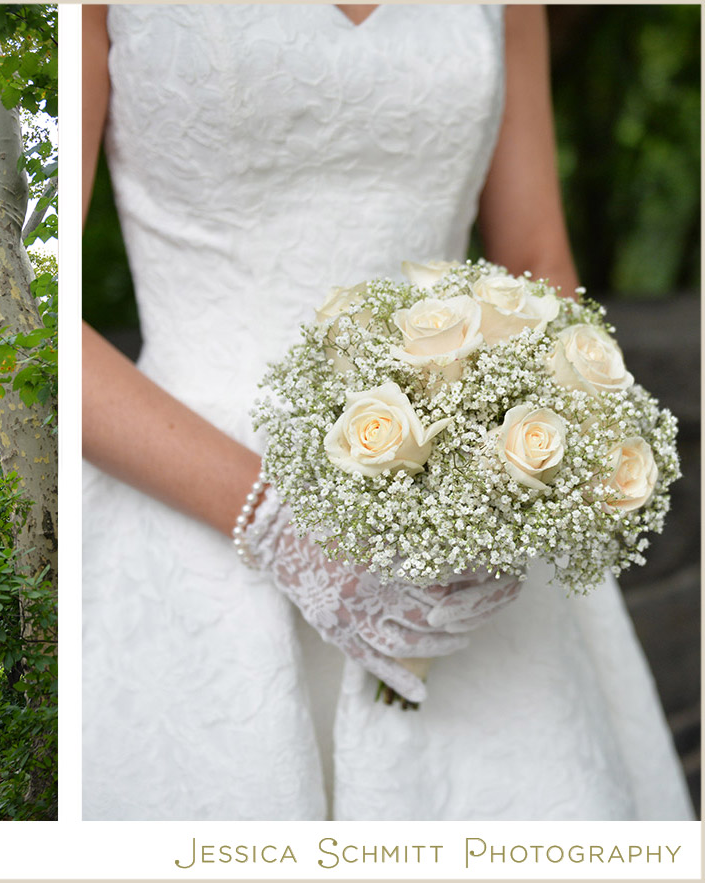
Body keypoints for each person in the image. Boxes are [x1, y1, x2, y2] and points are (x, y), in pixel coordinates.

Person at [80, 5, 692, 821]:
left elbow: (538, 260)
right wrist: (283, 527)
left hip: (468, 494)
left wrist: (533, 459)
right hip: (192, 502)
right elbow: (30, 320)